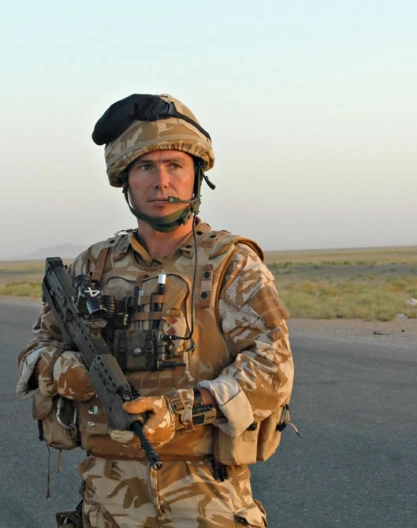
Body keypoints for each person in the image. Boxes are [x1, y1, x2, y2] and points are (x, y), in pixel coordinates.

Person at [16, 94, 294, 527]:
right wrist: (65, 368)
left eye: (174, 166)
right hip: (105, 500)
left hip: (204, 499)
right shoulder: (92, 265)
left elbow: (272, 371)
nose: (161, 182)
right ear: (125, 180)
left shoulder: (231, 264)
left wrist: (181, 410)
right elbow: (36, 350)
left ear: (196, 176)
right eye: (146, 167)